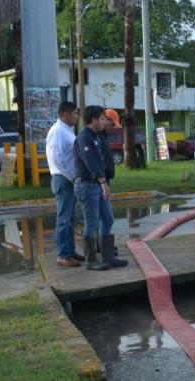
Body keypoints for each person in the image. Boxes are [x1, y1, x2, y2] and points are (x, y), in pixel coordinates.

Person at [73, 105, 126, 270]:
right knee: (92, 223)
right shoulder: (84, 137)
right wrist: (103, 183)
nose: (104, 122)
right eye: (102, 119)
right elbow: (91, 163)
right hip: (87, 184)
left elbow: (100, 160)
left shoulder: (96, 136)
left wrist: (104, 182)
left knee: (107, 218)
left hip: (98, 184)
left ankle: (108, 256)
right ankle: (90, 260)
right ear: (94, 120)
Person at [46, 101, 84, 267]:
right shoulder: (57, 131)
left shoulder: (67, 131)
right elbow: (58, 158)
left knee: (70, 217)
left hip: (68, 178)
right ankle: (63, 254)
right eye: (74, 113)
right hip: (63, 179)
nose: (76, 116)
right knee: (63, 218)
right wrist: (73, 177)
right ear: (65, 114)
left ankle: (70, 251)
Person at [95, 108, 127, 267]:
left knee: (103, 218)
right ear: (104, 119)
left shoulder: (102, 136)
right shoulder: (96, 137)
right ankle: (104, 251)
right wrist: (103, 183)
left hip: (104, 181)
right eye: (111, 124)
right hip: (100, 183)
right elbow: (94, 163)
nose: (112, 128)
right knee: (106, 218)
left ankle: (104, 247)